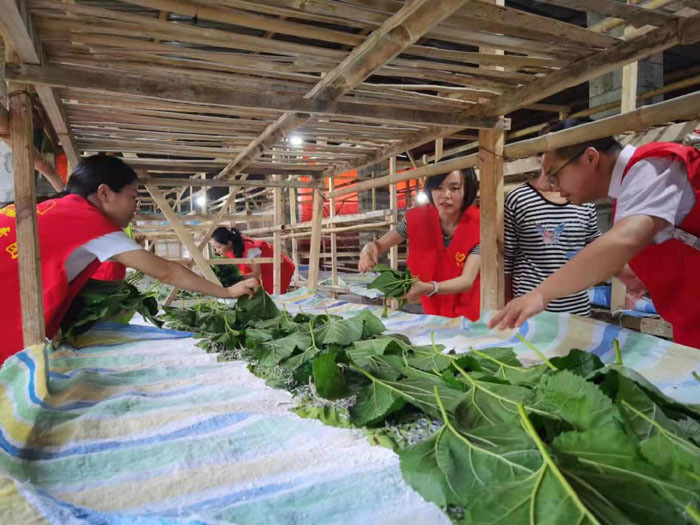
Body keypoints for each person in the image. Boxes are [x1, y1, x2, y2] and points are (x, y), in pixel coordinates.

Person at [0, 155, 259, 364]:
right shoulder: (92, 224)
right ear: (104, 193)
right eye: (133, 197)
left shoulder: (57, 208)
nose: (136, 206)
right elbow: (166, 271)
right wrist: (226, 292)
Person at [490, 117, 700, 348]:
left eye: (555, 175)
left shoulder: (651, 168)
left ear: (590, 158)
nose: (555, 187)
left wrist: (540, 294)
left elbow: (623, 240)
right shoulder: (627, 192)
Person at [505, 152, 645, 316]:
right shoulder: (519, 199)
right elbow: (506, 258)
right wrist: (508, 304)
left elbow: (595, 244)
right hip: (532, 311)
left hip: (577, 309)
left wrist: (623, 271)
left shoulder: (584, 201)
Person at [358, 169, 481, 320]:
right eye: (438, 188)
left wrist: (428, 287)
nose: (445, 195)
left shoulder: (479, 226)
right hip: (433, 312)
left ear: (467, 190)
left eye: (454, 188)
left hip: (470, 314)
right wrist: (367, 251)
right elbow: (378, 245)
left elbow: (467, 281)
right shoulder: (417, 219)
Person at [209, 227, 295, 295]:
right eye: (215, 247)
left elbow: (256, 274)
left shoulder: (251, 250)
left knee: (272, 295)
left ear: (229, 243)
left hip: (278, 268)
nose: (217, 250)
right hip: (263, 270)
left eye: (219, 247)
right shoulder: (230, 248)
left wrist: (235, 279)